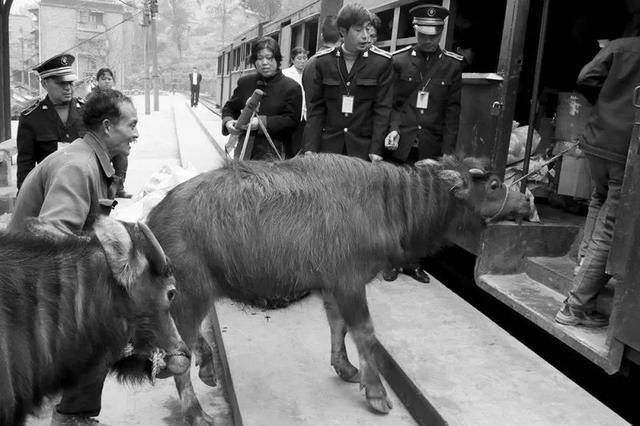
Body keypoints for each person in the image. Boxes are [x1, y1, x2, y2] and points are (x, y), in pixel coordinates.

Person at [8, 89, 139, 424]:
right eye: (132, 125)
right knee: (105, 317)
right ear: (108, 127)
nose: (136, 133)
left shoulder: (92, 159)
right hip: (24, 285)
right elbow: (50, 234)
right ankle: (73, 415)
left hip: (35, 275)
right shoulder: (78, 167)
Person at [555, 35, 640, 328]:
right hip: (627, 147)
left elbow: (586, 77)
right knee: (611, 227)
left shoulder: (622, 45)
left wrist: (606, 102)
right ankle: (576, 306)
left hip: (598, 139)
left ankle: (583, 264)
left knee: (598, 200)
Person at [382, 4, 464, 284]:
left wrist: (446, 157)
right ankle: (391, 260)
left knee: (422, 209)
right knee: (395, 205)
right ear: (414, 30)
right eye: (422, 34)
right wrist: (392, 129)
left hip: (430, 147)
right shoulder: (399, 61)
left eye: (434, 34)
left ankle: (412, 262)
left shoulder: (453, 65)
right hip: (401, 144)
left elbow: (453, 114)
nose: (428, 39)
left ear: (441, 32)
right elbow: (391, 104)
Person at [303, 3, 393, 162]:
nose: (365, 36)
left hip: (363, 151)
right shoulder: (323, 62)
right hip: (328, 150)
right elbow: (316, 110)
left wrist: (376, 149)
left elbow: (382, 109)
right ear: (343, 31)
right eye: (358, 30)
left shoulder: (381, 63)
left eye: (367, 29)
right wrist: (310, 148)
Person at [221, 36, 303, 160]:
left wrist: (261, 123)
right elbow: (230, 107)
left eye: (269, 58)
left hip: (277, 155)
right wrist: (228, 121)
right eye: (259, 58)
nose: (264, 62)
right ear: (254, 61)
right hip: (244, 153)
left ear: (277, 59)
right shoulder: (245, 83)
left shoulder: (292, 87)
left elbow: (292, 120)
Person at [16, 53, 85, 190]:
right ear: (44, 84)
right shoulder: (31, 118)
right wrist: (25, 201)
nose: (68, 88)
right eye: (61, 83)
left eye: (70, 82)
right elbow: (25, 165)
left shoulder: (87, 112)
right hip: (49, 192)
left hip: (84, 189)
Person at [89, 67, 132, 198]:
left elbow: (126, 116)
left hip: (115, 136)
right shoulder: (91, 98)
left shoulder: (118, 97)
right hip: (98, 138)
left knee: (121, 158)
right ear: (97, 81)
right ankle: (98, 191)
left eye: (109, 79)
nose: (107, 82)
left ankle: (119, 188)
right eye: (103, 79)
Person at [302, 15, 342, 112]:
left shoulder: (309, 63)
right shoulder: (345, 63)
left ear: (321, 36)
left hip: (312, 121)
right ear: (342, 37)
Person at [282, 46, 309, 157]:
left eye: (305, 58)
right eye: (299, 58)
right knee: (290, 146)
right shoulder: (286, 73)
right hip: (291, 114)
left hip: (305, 115)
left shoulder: (310, 72)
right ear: (292, 60)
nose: (302, 61)